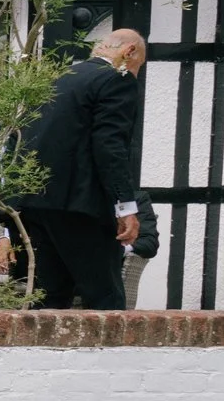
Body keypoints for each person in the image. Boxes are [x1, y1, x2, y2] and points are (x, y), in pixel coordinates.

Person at [16, 29, 145, 310]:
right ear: (130, 52)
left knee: (50, 298)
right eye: (137, 69)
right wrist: (125, 206)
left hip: (36, 203)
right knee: (105, 297)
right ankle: (110, 354)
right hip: (80, 205)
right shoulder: (115, 79)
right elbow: (111, 147)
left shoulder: (55, 80)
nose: (134, 75)